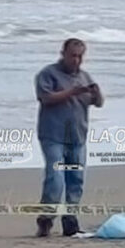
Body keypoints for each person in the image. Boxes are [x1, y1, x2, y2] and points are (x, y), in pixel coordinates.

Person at [34, 38, 104, 237]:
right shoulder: (48, 74)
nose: (76, 60)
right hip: (53, 135)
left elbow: (98, 103)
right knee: (55, 179)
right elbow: (45, 98)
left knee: (76, 180)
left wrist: (96, 93)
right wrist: (72, 92)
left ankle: (70, 220)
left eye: (80, 56)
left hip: (77, 137)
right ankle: (46, 218)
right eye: (73, 56)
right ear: (63, 54)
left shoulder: (85, 77)